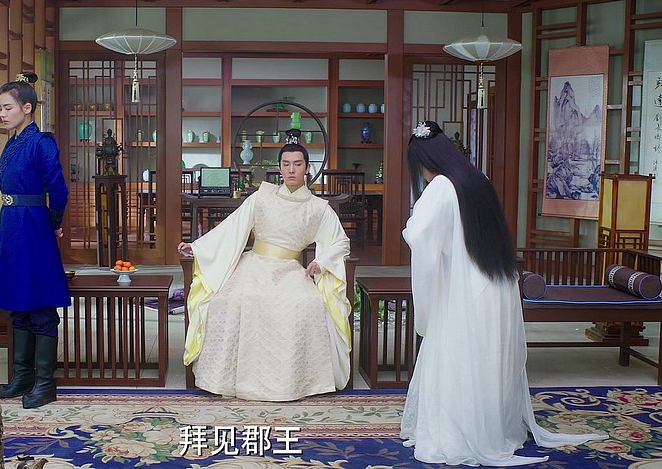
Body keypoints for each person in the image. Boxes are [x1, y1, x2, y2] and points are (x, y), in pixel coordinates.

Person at [400, 120, 606, 465]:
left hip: (463, 290)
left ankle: (461, 432)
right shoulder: (478, 180)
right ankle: (494, 427)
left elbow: (420, 236)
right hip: (494, 285)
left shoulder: (441, 187)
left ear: (424, 161)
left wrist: (413, 235)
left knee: (459, 357)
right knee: (488, 358)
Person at [178, 129, 352, 401]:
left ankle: (291, 381)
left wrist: (322, 261)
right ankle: (227, 379)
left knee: (305, 304)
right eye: (286, 164)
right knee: (231, 300)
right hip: (254, 265)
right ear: (279, 168)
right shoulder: (262, 196)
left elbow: (341, 242)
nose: (291, 169)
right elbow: (233, 227)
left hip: (291, 270)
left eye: (297, 164)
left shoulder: (319, 208)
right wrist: (198, 247)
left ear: (307, 168)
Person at [0, 72, 70, 409]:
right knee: (18, 302)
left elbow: (58, 190)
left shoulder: (41, 142)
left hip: (33, 227)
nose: (2, 113)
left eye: (7, 107)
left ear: (27, 108)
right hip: (11, 226)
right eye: (0, 108)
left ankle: (45, 383)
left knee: (40, 302)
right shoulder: (12, 143)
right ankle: (23, 377)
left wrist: (53, 223)